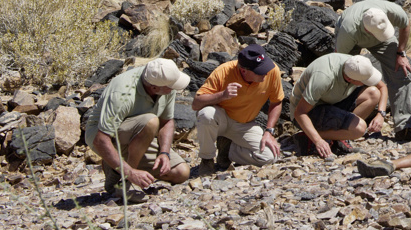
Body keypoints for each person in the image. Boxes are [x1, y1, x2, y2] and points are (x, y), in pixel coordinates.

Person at [84, 58, 192, 202]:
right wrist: (131, 173)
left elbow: (167, 121)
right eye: (171, 86)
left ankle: (116, 168)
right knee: (151, 121)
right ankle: (126, 181)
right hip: (104, 135)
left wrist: (164, 153)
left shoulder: (163, 82)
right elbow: (100, 139)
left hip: (140, 134)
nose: (174, 89)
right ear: (154, 88)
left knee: (181, 173)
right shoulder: (123, 93)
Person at [334, 0, 411, 141]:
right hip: (353, 39)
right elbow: (339, 60)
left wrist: (400, 53)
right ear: (367, 30)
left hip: (381, 40)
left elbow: (405, 24)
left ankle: (404, 129)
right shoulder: (349, 30)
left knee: (403, 72)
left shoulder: (391, 10)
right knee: (347, 76)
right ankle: (343, 125)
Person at [192, 44, 284, 174]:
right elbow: (196, 104)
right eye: (259, 71)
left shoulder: (272, 71)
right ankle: (207, 159)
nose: (265, 73)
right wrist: (222, 95)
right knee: (206, 114)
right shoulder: (223, 71)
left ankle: (228, 149)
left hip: (245, 124)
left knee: (269, 156)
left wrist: (269, 131)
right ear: (244, 70)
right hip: (221, 120)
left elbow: (277, 102)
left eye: (265, 68)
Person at [291, 53, 385, 158]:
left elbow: (382, 87)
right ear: (350, 79)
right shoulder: (324, 78)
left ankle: (340, 136)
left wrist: (381, 114)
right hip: (311, 110)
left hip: (333, 100)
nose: (366, 83)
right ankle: (308, 135)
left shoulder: (355, 64)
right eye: (364, 82)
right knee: (359, 128)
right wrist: (318, 140)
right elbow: (299, 112)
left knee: (373, 94)